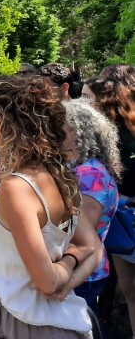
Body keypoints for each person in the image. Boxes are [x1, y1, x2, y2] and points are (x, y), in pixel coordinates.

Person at [0, 75, 100, 338]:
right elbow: (94, 249)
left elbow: (46, 282)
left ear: (10, 123)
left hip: (22, 321)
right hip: (62, 318)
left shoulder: (16, 187)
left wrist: (66, 266)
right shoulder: (60, 177)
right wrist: (67, 281)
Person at [83, 74, 135, 337]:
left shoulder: (128, 134)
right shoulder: (101, 135)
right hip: (120, 221)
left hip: (128, 214)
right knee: (128, 289)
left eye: (88, 97)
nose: (83, 102)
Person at [63, 99, 121, 328]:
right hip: (77, 266)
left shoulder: (89, 173)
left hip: (82, 272)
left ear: (76, 132)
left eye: (57, 126)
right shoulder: (78, 166)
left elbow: (82, 232)